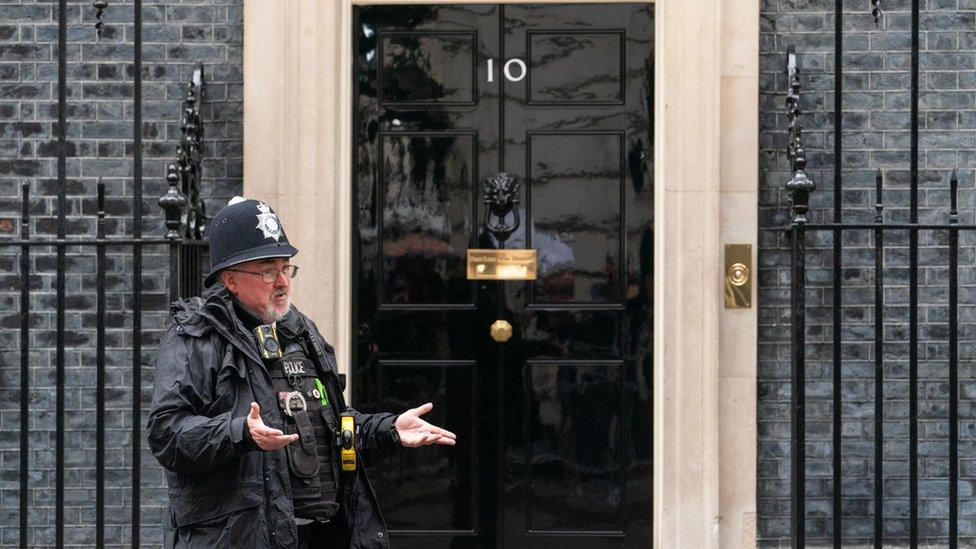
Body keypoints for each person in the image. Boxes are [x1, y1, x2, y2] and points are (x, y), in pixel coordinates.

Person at [147, 197, 456, 548]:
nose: (282, 282)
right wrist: (239, 432)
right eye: (267, 270)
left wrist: (387, 429)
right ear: (230, 279)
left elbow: (336, 425)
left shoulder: (300, 331)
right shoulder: (196, 337)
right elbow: (166, 434)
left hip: (319, 535)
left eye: (286, 268)